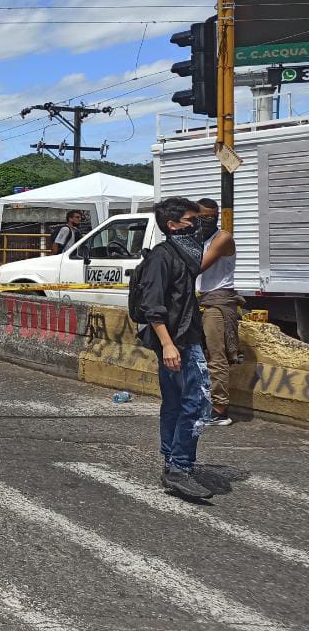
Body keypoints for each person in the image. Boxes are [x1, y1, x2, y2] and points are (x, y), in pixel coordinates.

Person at [137, 197, 212, 500]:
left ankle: (173, 463)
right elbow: (152, 306)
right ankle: (180, 465)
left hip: (187, 338)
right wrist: (168, 345)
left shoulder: (183, 256)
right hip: (177, 342)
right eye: (192, 220)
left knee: (176, 403)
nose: (199, 224)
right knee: (196, 404)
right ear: (172, 225)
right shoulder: (162, 257)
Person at [196, 197, 241, 427]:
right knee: (201, 355)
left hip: (219, 301)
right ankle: (206, 402)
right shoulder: (198, 238)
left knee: (216, 356)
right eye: (202, 217)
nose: (207, 221)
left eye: (211, 217)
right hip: (202, 299)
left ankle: (220, 409)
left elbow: (199, 265)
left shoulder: (222, 238)